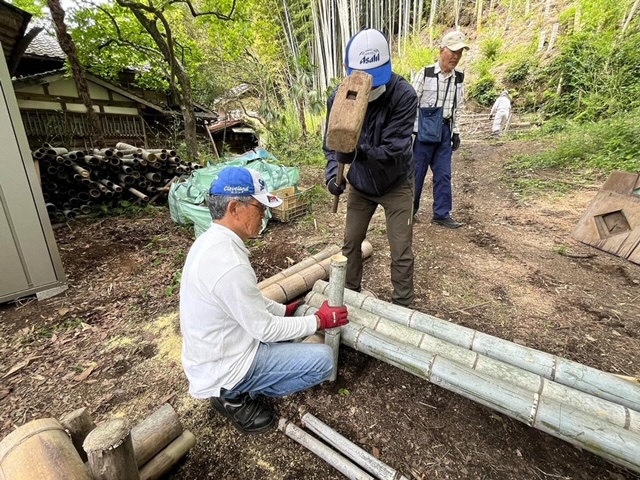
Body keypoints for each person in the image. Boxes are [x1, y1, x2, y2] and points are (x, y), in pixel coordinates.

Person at [180, 166, 349, 434]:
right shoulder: (229, 264)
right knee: (324, 360)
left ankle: (236, 387)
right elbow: (264, 328)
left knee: (292, 324)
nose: (265, 215)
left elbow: (248, 301)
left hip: (217, 350)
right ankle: (234, 395)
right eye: (260, 207)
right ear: (234, 208)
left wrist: (285, 309)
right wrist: (318, 321)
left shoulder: (211, 242)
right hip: (228, 364)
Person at [324, 28, 417, 307]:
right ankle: (350, 296)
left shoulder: (403, 96)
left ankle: (403, 305)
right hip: (362, 184)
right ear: (348, 70)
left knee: (401, 249)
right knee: (351, 243)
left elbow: (396, 151)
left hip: (396, 183)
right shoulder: (338, 99)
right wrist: (333, 175)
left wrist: (356, 152)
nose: (372, 86)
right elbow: (332, 146)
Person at [412, 30, 469, 229]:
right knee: (416, 173)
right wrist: (410, 131)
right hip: (423, 131)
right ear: (441, 50)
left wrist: (456, 132)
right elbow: (411, 104)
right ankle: (409, 211)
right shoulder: (425, 74)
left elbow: (458, 107)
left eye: (459, 52)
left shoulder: (459, 78)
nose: (455, 56)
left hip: (445, 130)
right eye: (452, 51)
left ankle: (442, 214)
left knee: (444, 173)